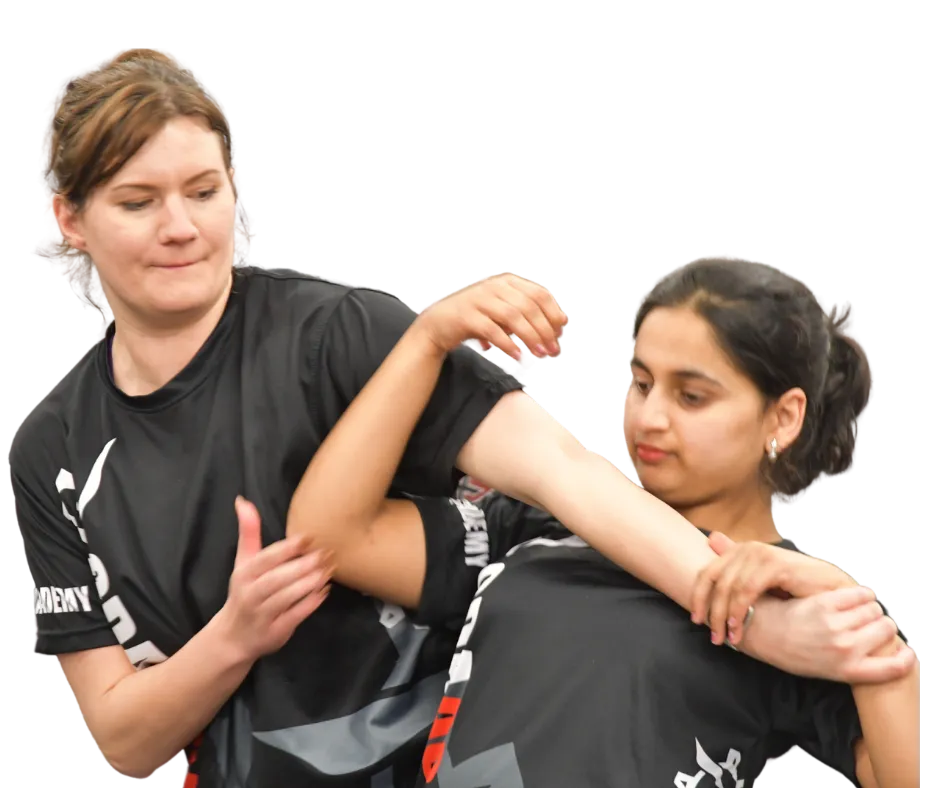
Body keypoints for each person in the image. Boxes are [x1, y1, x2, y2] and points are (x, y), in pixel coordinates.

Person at [15, 46, 909, 785]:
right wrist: (235, 635)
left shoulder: (334, 330)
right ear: (71, 217)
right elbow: (126, 741)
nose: (181, 227)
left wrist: (765, 619)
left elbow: (568, 470)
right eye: (139, 202)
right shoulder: (50, 450)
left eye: (204, 192)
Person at [285, 257, 920, 787]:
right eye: (642, 383)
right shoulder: (531, 528)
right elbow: (327, 540)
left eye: (691, 396)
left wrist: (855, 619)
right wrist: (427, 340)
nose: (650, 418)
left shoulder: (795, 600)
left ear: (782, 418)